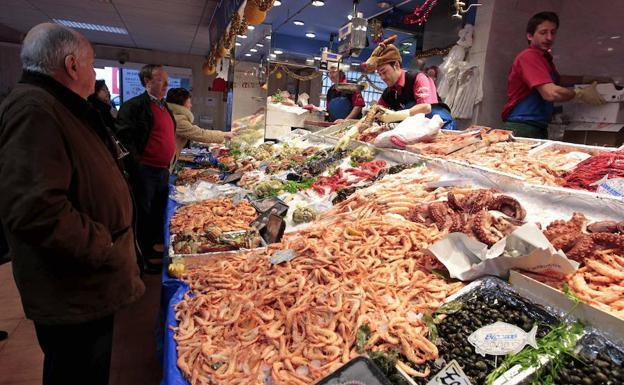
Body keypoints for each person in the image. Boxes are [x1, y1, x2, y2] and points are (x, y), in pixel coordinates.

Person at [0, 23, 144, 385]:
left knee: (85, 366)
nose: (95, 75)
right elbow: (34, 208)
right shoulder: (35, 110)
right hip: (73, 285)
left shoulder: (56, 105)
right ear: (71, 65)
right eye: (92, 64)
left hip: (83, 284)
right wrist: (104, 244)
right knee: (76, 369)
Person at [502, 11, 607, 138]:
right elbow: (550, 93)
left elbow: (557, 79)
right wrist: (579, 93)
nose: (549, 38)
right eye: (543, 32)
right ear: (529, 36)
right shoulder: (528, 56)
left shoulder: (544, 58)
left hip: (538, 125)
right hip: (522, 126)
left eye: (553, 32)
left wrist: (588, 78)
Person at [115, 64, 176, 273]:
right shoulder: (134, 106)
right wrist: (137, 166)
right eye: (161, 80)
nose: (167, 84)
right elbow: (124, 139)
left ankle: (151, 251)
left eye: (167, 80)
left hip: (162, 171)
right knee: (143, 216)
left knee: (157, 214)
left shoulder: (162, 105)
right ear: (147, 82)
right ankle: (142, 260)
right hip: (146, 171)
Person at [364, 35, 456, 130]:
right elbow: (377, 110)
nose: (382, 77)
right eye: (379, 74)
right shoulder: (389, 92)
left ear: (396, 65)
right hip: (419, 129)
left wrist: (395, 115)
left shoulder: (418, 78)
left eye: (384, 72)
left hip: (442, 126)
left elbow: (426, 108)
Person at [166, 87, 232, 167]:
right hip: (163, 162)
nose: (191, 105)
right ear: (181, 104)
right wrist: (225, 134)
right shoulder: (178, 119)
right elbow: (200, 134)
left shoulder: (171, 115)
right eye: (189, 102)